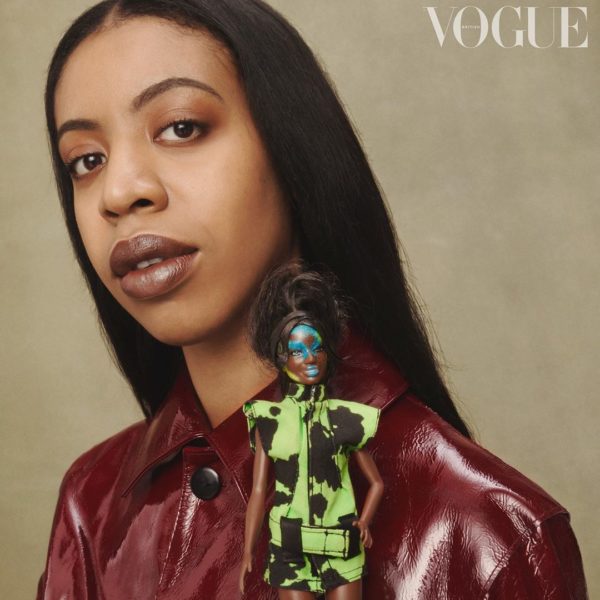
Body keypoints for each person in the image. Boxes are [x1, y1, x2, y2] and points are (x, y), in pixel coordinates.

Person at [38, 1, 588, 598]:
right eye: (86, 161)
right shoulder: (91, 504)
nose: (119, 192)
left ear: (292, 147)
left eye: (181, 127)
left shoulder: (489, 538)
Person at [239, 265, 384, 599]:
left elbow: (376, 482)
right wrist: (248, 549)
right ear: (282, 358)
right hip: (289, 547)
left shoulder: (347, 419)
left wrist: (364, 521)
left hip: (341, 543)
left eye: (316, 348)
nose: (309, 359)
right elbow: (258, 491)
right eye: (297, 351)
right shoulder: (268, 419)